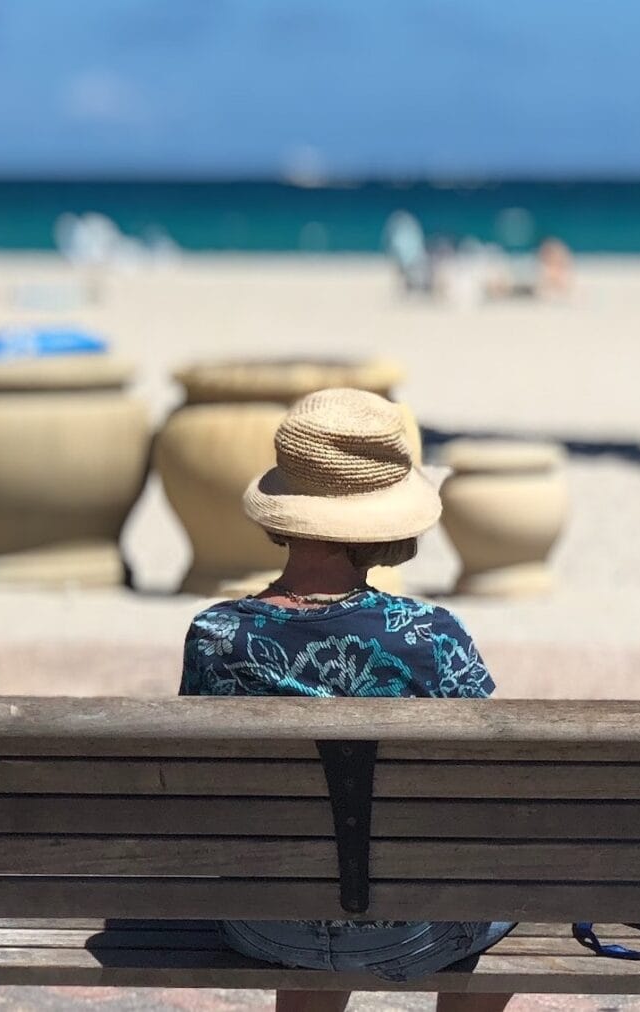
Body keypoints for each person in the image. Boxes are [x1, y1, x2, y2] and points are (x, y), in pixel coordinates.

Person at [179, 388, 515, 1012]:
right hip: (416, 931)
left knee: (306, 868)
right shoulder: (431, 636)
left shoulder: (215, 635)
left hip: (263, 924)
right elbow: (486, 784)